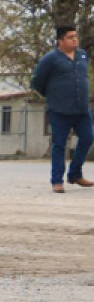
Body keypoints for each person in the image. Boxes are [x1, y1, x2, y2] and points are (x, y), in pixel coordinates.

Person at [31, 25, 93, 193]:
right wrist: (52, 95)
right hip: (59, 109)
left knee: (88, 138)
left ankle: (75, 174)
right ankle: (57, 181)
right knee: (59, 145)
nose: (75, 39)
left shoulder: (82, 55)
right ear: (61, 41)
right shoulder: (50, 59)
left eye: (76, 36)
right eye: (70, 37)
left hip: (81, 109)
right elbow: (36, 82)